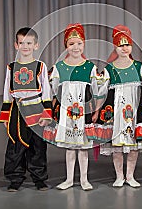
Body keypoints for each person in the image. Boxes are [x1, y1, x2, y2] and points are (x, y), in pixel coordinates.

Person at [93, 25, 142, 188]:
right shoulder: (110, 69)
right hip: (116, 112)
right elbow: (101, 93)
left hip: (135, 110)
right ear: (115, 46)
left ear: (132, 46)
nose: (124, 48)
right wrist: (96, 110)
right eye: (120, 45)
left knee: (133, 146)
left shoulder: (140, 67)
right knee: (117, 146)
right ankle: (119, 176)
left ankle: (130, 176)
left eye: (127, 44)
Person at [0, 27, 52, 191]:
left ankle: (39, 178)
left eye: (29, 43)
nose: (25, 46)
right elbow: (7, 92)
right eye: (21, 43)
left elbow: (47, 91)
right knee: (16, 144)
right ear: (16, 45)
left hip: (36, 108)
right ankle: (15, 178)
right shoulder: (11, 67)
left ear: (36, 45)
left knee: (37, 145)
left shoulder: (40, 66)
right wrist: (5, 116)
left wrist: (47, 114)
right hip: (17, 111)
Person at [47, 23, 98, 191]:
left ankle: (84, 179)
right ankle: (69, 179)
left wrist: (95, 110)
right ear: (66, 46)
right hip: (66, 112)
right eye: (71, 44)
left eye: (79, 43)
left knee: (83, 147)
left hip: (84, 111)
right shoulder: (59, 67)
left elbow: (97, 91)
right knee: (69, 147)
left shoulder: (90, 67)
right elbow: (53, 89)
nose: (75, 47)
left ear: (84, 44)